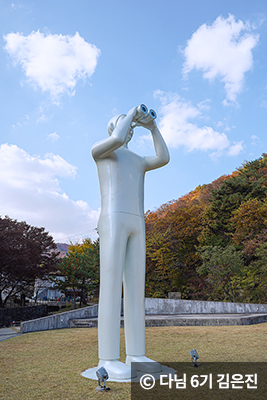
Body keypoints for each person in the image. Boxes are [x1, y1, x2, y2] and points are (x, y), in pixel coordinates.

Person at [91, 105, 170, 379]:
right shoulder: (102, 151)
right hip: (113, 219)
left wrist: (152, 127)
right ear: (117, 125)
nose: (130, 131)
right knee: (111, 286)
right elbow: (116, 140)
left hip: (136, 220)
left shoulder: (137, 160)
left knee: (136, 288)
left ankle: (136, 352)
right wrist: (131, 112)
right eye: (126, 125)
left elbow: (163, 157)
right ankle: (108, 357)